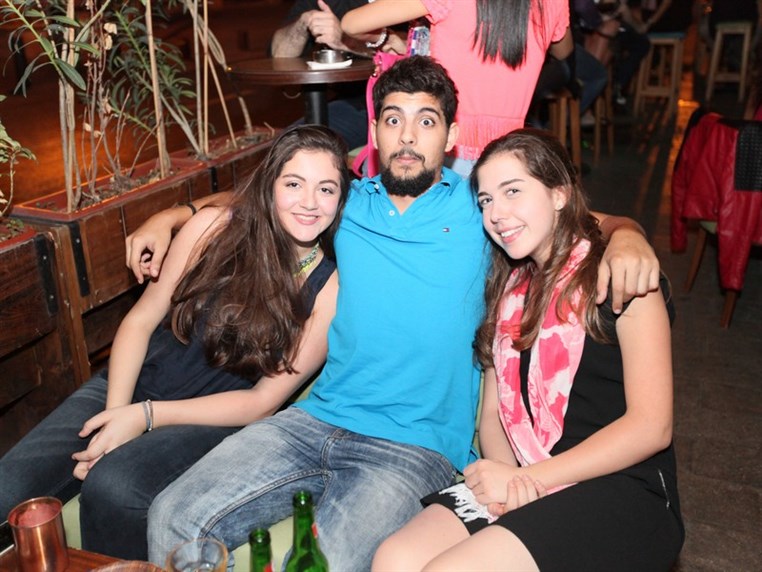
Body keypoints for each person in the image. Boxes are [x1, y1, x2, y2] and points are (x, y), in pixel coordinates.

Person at [125, 57, 660, 571]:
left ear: (451, 137)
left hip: (413, 446)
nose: (407, 137)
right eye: (393, 120)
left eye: (426, 121)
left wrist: (630, 235)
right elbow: (264, 196)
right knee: (175, 514)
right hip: (312, 421)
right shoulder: (344, 202)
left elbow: (584, 218)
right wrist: (173, 213)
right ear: (375, 134)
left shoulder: (484, 209)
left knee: (327, 565)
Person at [0, 125, 349, 560]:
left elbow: (262, 401)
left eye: (326, 189)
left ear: (341, 200)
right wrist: (115, 417)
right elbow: (142, 319)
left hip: (209, 418)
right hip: (134, 382)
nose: (309, 202)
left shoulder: (330, 288)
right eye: (293, 184)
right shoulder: (213, 228)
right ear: (270, 185)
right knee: (7, 488)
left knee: (115, 486)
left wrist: (144, 417)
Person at [372, 128, 683, 571]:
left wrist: (527, 478)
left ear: (559, 194)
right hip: (523, 471)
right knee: (395, 559)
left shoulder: (619, 277)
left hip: (619, 484)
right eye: (486, 200)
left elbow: (652, 427)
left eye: (513, 191)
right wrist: (509, 481)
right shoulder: (507, 287)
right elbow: (493, 414)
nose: (497, 213)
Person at [340, 0, 574, 175]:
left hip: (445, 149)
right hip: (510, 154)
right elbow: (564, 50)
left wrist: (383, 37)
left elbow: (351, 23)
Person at [270, 0, 372, 150]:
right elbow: (280, 54)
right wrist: (304, 21)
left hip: (394, 99)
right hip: (352, 104)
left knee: (304, 148)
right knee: (288, 148)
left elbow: (404, 46)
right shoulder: (328, 3)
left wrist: (345, 41)